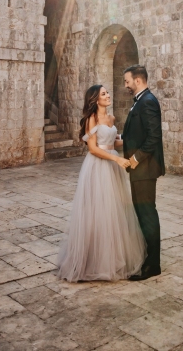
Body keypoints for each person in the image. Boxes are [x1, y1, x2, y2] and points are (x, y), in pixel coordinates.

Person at [57, 84, 146, 282]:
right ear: (95, 100)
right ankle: (92, 260)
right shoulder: (92, 119)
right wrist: (117, 159)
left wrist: (133, 140)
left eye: (107, 93)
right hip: (99, 165)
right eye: (103, 94)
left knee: (113, 210)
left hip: (112, 165)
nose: (107, 95)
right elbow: (93, 149)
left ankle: (113, 258)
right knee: (97, 210)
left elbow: (112, 142)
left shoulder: (112, 118)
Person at [122, 64, 165, 280]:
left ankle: (153, 265)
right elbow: (137, 134)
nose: (126, 85)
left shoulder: (148, 102)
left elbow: (153, 137)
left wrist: (135, 159)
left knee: (147, 214)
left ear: (138, 81)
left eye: (127, 81)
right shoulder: (141, 101)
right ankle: (149, 257)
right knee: (143, 213)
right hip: (138, 170)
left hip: (145, 169)